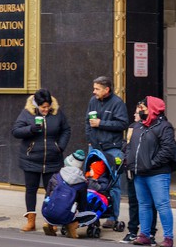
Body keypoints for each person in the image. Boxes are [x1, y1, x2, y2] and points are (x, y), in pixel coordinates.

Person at [12, 89, 71, 232]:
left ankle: (49, 221)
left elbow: (66, 130)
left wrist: (60, 146)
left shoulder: (57, 113)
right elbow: (15, 131)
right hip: (31, 158)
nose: (46, 109)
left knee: (51, 190)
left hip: (52, 158)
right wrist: (31, 129)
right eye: (43, 107)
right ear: (36, 105)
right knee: (31, 190)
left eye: (47, 106)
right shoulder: (27, 113)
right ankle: (31, 221)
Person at [122, 96, 176, 247]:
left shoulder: (165, 127)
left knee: (162, 204)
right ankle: (144, 235)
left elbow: (167, 150)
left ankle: (168, 237)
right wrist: (130, 162)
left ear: (152, 109)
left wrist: (151, 164)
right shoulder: (138, 126)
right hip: (140, 173)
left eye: (143, 109)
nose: (140, 111)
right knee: (144, 204)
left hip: (157, 173)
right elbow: (129, 146)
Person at [85, 76, 129, 229]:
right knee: (92, 181)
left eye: (97, 88)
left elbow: (123, 123)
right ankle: (93, 213)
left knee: (113, 184)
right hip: (95, 148)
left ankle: (112, 216)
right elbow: (87, 122)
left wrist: (101, 123)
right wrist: (90, 138)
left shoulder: (117, 103)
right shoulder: (93, 101)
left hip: (113, 148)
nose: (94, 91)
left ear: (106, 89)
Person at [121, 99, 158, 244]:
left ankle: (150, 232)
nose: (136, 115)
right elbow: (126, 144)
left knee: (151, 203)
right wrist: (127, 156)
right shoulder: (133, 127)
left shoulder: (156, 127)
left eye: (139, 112)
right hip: (133, 169)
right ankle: (132, 230)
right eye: (136, 112)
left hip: (147, 170)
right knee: (134, 201)